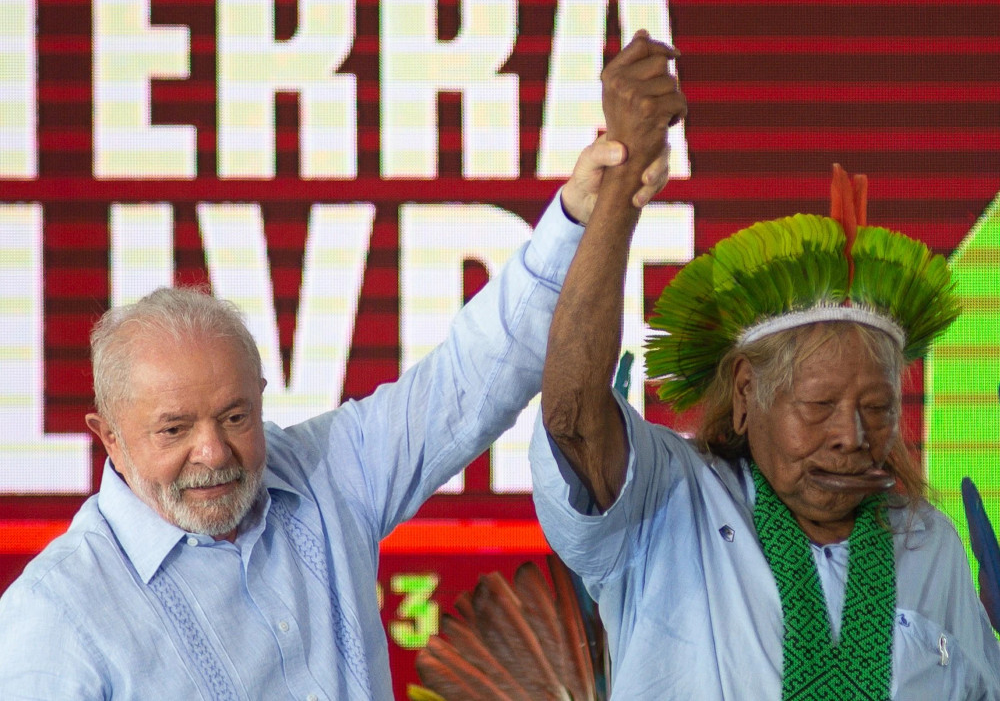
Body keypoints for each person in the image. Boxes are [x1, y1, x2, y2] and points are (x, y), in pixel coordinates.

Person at [0, 132, 675, 699]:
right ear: (109, 439)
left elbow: (469, 382)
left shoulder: (325, 475)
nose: (214, 453)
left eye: (236, 416)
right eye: (174, 429)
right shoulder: (56, 615)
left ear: (263, 394)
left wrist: (577, 219)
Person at [531, 34, 1000, 698]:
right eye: (819, 406)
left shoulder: (929, 543)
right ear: (747, 396)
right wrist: (621, 186)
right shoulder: (672, 503)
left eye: (877, 407)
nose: (852, 435)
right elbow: (574, 418)